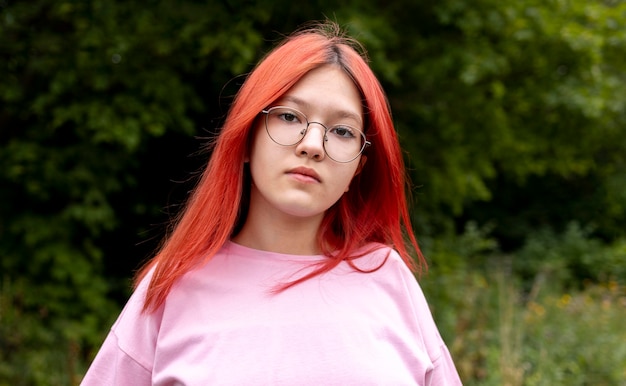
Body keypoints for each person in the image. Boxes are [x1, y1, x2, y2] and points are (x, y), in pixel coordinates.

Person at [81, 20, 462, 385]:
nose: (312, 145)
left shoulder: (387, 278)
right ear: (247, 139)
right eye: (289, 116)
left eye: (343, 130)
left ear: (358, 170)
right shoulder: (172, 284)